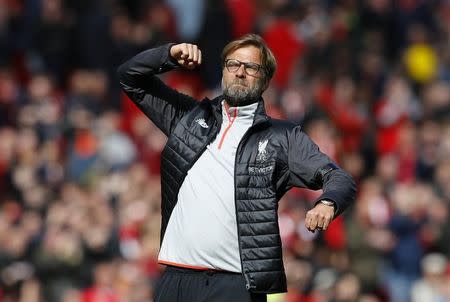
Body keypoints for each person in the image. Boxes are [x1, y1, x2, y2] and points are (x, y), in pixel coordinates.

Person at [117, 34, 356, 302]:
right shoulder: (188, 117)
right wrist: (168, 55)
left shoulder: (282, 137)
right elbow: (130, 77)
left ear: (265, 79)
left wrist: (328, 203)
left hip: (235, 286)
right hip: (176, 279)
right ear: (223, 71)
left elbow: (339, 177)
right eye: (232, 64)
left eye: (251, 67)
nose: (240, 72)